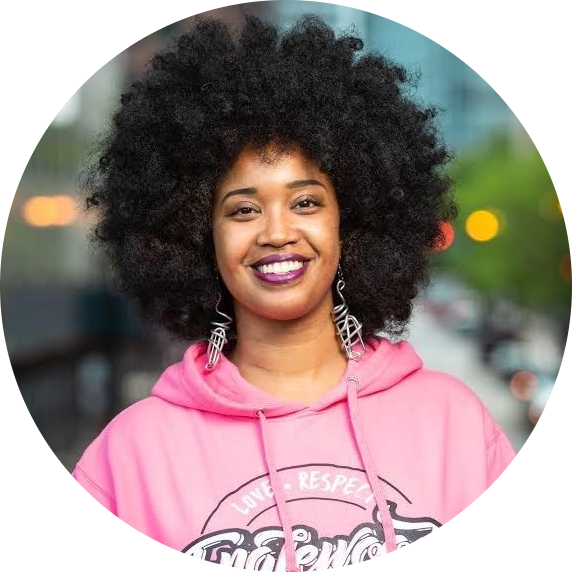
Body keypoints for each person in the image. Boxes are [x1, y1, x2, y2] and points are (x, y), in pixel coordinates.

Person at [72, 13, 518, 572]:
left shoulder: (454, 424)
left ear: (350, 224)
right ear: (197, 236)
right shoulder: (130, 456)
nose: (277, 232)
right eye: (243, 210)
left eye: (305, 202)